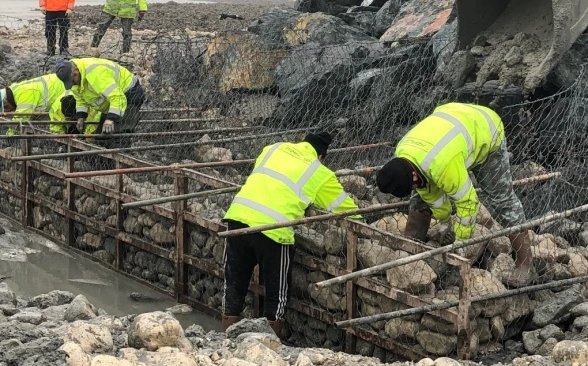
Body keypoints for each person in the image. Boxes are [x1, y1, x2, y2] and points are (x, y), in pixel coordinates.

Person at [376, 102, 533, 288]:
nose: (414, 187)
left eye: (412, 184)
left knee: (503, 201)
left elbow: (468, 201)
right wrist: (445, 220)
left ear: (412, 173)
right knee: (419, 197)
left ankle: (526, 266)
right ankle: (411, 249)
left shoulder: (443, 166)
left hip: (485, 130)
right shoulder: (403, 153)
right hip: (454, 123)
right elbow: (425, 188)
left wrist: (460, 243)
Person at [220, 132, 361, 336]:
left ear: (301, 141)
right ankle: (270, 343)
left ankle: (226, 337)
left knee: (234, 283)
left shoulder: (273, 149)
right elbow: (345, 209)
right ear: (321, 156)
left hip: (238, 219)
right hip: (274, 231)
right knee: (276, 294)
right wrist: (363, 223)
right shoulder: (319, 171)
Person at [54, 57, 145, 139]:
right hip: (111, 101)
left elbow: (118, 97)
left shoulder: (96, 74)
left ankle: (122, 153)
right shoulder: (76, 82)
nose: (72, 83)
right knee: (101, 137)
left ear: (76, 71)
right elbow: (80, 99)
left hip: (129, 93)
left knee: (118, 135)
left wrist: (110, 119)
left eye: (72, 80)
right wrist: (81, 117)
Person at [0, 73, 69, 136]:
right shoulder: (16, 91)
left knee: (61, 115)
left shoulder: (24, 94)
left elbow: (21, 118)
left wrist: (9, 136)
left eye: (6, 108)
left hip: (64, 88)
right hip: (60, 84)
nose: (9, 111)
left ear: (6, 101)